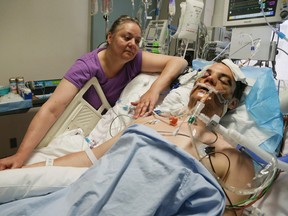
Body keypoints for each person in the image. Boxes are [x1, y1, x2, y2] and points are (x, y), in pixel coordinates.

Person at [17, 59, 253, 216]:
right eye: (206, 74)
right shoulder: (150, 120)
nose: (208, 79)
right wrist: (24, 166)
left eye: (224, 81)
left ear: (232, 103)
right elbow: (91, 157)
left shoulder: (235, 159)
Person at [0, 15, 188, 170]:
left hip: (105, 132)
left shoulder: (135, 61)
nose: (133, 44)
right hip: (78, 132)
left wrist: (153, 91)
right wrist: (21, 155)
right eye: (127, 37)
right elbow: (52, 108)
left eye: (137, 41)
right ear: (110, 37)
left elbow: (179, 62)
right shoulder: (86, 66)